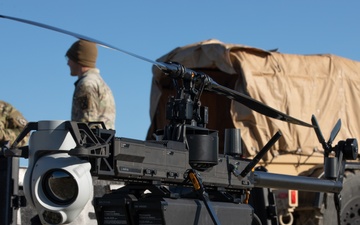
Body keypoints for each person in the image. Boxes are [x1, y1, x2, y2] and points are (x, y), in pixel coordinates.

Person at [66, 39, 116, 129]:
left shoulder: (86, 85)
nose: (68, 63)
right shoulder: (101, 83)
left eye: (69, 58)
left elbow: (86, 125)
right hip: (104, 142)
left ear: (79, 59)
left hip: (91, 142)